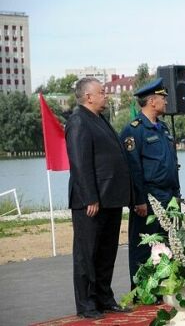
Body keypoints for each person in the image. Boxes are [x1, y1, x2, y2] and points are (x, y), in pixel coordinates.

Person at [65, 77, 132, 319]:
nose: (106, 95)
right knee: (87, 254)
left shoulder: (100, 118)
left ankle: (104, 298)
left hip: (110, 199)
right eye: (102, 92)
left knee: (106, 253)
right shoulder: (78, 121)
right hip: (91, 202)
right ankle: (86, 304)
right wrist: (90, 197)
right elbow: (80, 163)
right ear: (88, 96)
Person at [120, 78, 180, 288]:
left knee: (166, 242)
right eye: (163, 98)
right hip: (148, 196)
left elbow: (171, 163)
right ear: (152, 101)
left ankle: (163, 284)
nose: (166, 102)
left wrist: (176, 194)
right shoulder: (134, 130)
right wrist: (139, 199)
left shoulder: (163, 128)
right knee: (144, 245)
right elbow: (132, 169)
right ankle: (142, 289)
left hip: (168, 195)